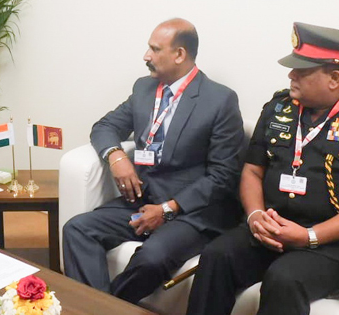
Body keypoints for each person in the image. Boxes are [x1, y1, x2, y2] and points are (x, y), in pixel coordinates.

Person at [186, 22, 339, 315]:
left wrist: (310, 236)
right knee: (216, 256)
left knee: (284, 278)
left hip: (330, 244)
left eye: (301, 71)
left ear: (335, 77)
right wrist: (254, 216)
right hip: (270, 227)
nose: (291, 75)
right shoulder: (279, 107)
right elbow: (252, 170)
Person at [62, 18, 244, 304]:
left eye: (154, 49)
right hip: (142, 200)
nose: (146, 56)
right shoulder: (144, 89)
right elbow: (104, 127)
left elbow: (224, 176)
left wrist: (168, 209)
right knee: (78, 229)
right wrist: (116, 156)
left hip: (190, 213)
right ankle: (96, 309)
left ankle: (100, 308)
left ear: (179, 54)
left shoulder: (219, 100)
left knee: (151, 259)